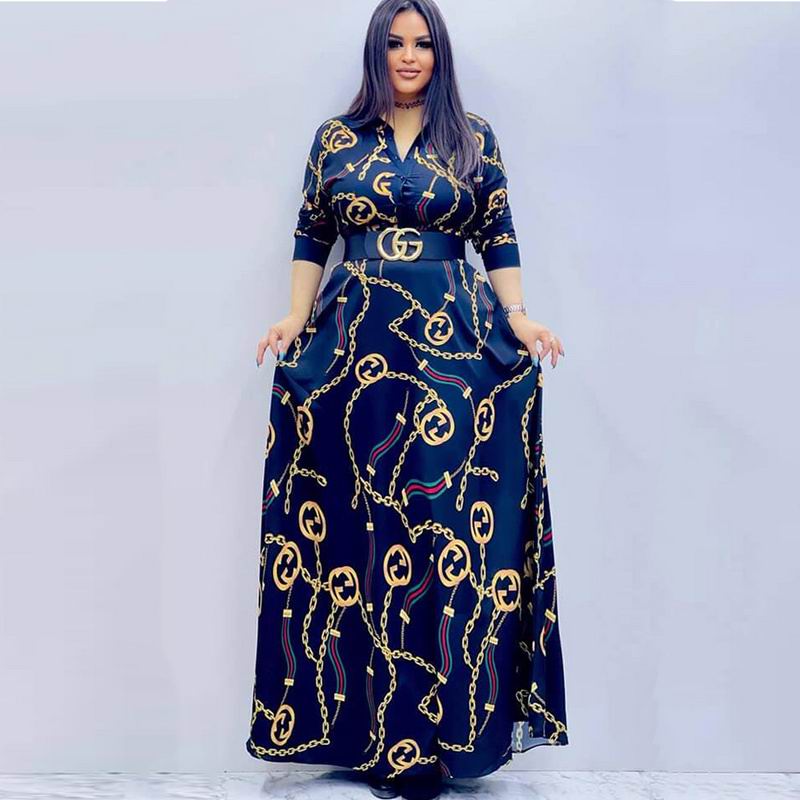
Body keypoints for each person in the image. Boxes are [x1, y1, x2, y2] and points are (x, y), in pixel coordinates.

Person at [246, 1, 568, 798]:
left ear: (439, 53)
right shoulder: (336, 139)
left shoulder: (473, 138)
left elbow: (498, 233)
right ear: (377, 51)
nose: (409, 55)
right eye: (395, 43)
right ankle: (371, 735)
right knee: (362, 528)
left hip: (452, 350)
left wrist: (519, 319)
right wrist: (294, 317)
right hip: (355, 348)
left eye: (423, 43)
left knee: (443, 528)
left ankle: (448, 733)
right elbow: (312, 233)